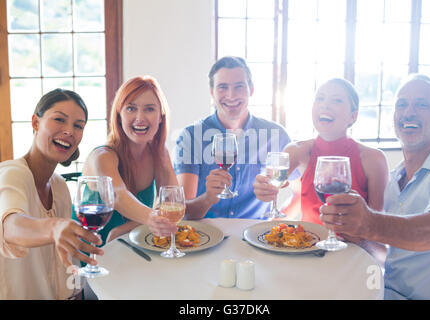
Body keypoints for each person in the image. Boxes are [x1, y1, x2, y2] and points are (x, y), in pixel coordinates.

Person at [320, 74, 430, 299]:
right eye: (402, 105)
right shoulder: (395, 178)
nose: (409, 112)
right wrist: (358, 237)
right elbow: (387, 255)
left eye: (422, 105)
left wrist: (368, 223)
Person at [0, 89, 103, 299]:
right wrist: (54, 226)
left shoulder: (59, 186)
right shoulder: (12, 173)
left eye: (78, 125)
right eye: (59, 119)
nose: (69, 131)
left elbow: (62, 261)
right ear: (35, 123)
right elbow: (9, 227)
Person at [254, 78, 389, 226]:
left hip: (354, 246)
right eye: (320, 99)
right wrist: (264, 188)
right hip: (306, 244)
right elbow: (273, 183)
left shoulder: (374, 159)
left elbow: (378, 225)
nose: (325, 105)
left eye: (336, 100)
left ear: (353, 116)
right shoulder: (297, 151)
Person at [174, 56, 291, 219]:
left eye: (239, 86)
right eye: (222, 87)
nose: (231, 95)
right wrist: (208, 198)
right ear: (212, 92)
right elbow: (183, 213)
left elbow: (301, 192)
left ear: (251, 89)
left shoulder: (276, 135)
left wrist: (277, 223)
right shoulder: (191, 137)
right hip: (205, 239)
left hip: (254, 239)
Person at [79, 76, 177, 245]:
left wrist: (124, 229)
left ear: (160, 117)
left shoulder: (158, 153)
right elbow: (117, 195)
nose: (140, 118)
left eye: (149, 109)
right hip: (93, 254)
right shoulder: (102, 156)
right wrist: (150, 217)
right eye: (131, 108)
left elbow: (172, 204)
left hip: (135, 248)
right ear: (119, 115)